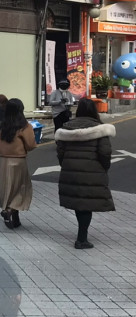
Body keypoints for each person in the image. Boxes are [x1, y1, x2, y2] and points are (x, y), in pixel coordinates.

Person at [55, 98, 116, 249]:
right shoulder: (100, 129)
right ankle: (82, 239)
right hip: (92, 170)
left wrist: (66, 164)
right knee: (86, 203)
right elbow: (105, 152)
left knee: (79, 203)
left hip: (71, 170)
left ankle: (82, 235)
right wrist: (104, 167)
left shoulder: (67, 128)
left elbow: (60, 152)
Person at [0, 98, 37, 229]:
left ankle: (12, 214)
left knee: (8, 188)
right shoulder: (24, 126)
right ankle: (10, 210)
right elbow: (31, 145)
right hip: (18, 160)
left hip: (4, 160)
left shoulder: (1, 125)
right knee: (21, 188)